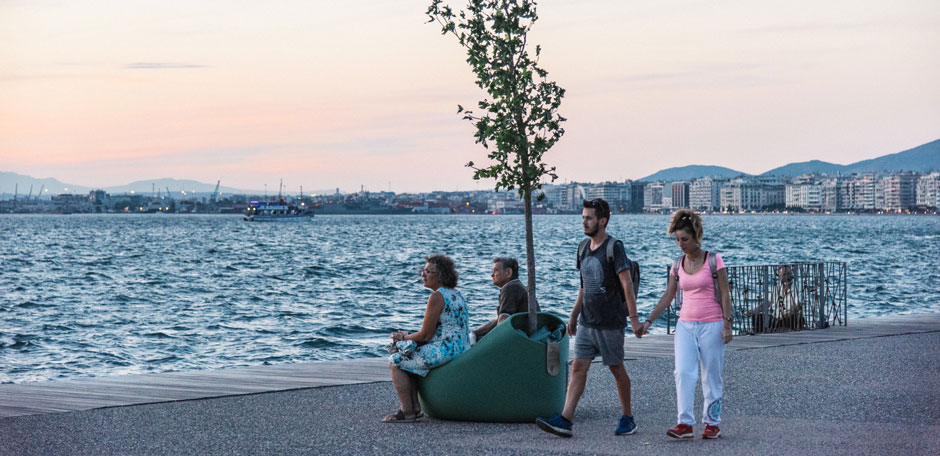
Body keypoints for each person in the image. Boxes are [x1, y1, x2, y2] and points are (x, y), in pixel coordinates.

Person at [536, 198, 642, 438]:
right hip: (587, 321)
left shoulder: (614, 247)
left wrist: (634, 319)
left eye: (589, 218)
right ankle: (565, 419)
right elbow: (584, 286)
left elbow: (626, 284)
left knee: (616, 368)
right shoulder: (583, 247)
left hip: (610, 323)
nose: (584, 221)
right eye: (583, 217)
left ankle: (628, 418)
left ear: (602, 221)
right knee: (578, 368)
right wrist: (573, 315)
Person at [638, 209, 732, 439]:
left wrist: (727, 324)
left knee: (711, 375)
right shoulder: (677, 264)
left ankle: (712, 423)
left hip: (712, 323)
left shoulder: (713, 259)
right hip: (685, 325)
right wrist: (648, 320)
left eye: (685, 239)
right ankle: (685, 424)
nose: (681, 244)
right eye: (678, 240)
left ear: (696, 235)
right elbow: (668, 297)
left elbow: (725, 293)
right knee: (683, 372)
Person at [383, 254, 470, 423]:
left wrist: (402, 337)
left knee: (395, 360)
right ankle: (415, 408)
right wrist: (409, 338)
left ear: (441, 275)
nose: (423, 275)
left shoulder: (437, 296)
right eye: (423, 271)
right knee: (411, 354)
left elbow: (425, 335)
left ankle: (407, 412)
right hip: (461, 346)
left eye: (428, 271)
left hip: (446, 349)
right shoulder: (456, 294)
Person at [472, 257, 532, 341]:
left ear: (508, 272)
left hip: (521, 339)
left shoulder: (510, 287)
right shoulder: (518, 286)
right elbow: (500, 319)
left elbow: (503, 320)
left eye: (495, 270)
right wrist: (475, 332)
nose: (492, 275)